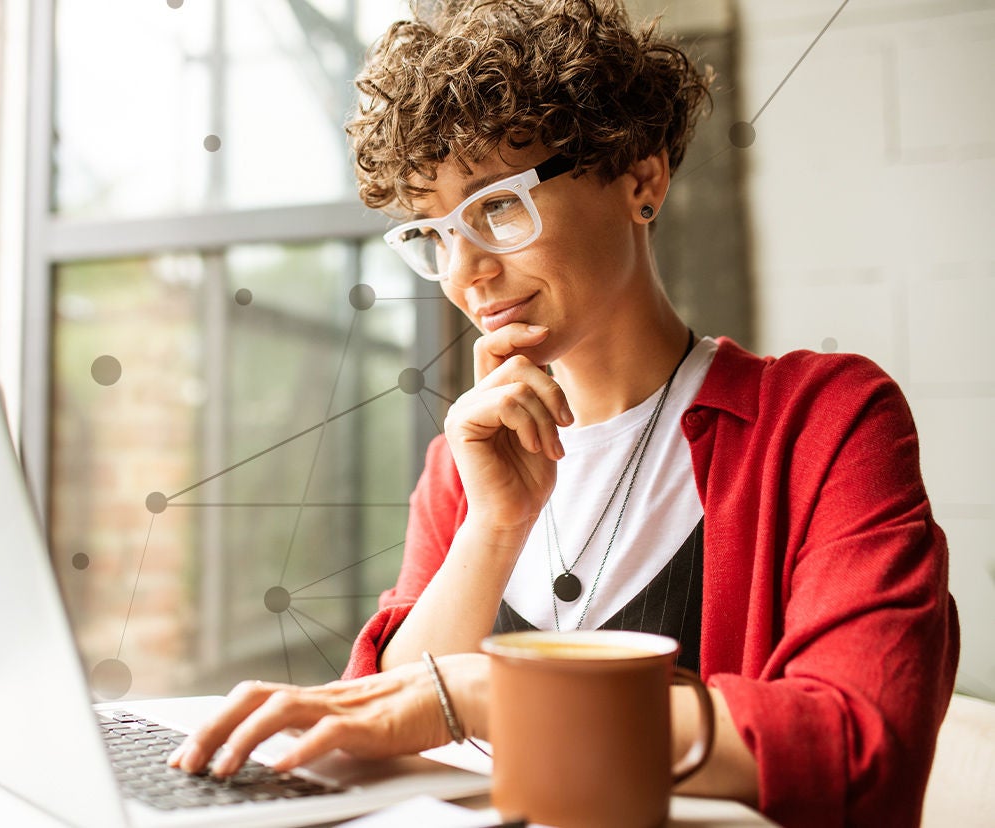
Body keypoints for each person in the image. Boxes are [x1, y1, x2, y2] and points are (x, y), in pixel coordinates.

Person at [168, 1, 959, 824]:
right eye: (433, 232)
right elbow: (381, 717)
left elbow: (862, 750)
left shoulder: (823, 422)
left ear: (640, 180)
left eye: (498, 206)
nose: (465, 272)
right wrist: (493, 528)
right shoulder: (465, 461)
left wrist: (490, 691)